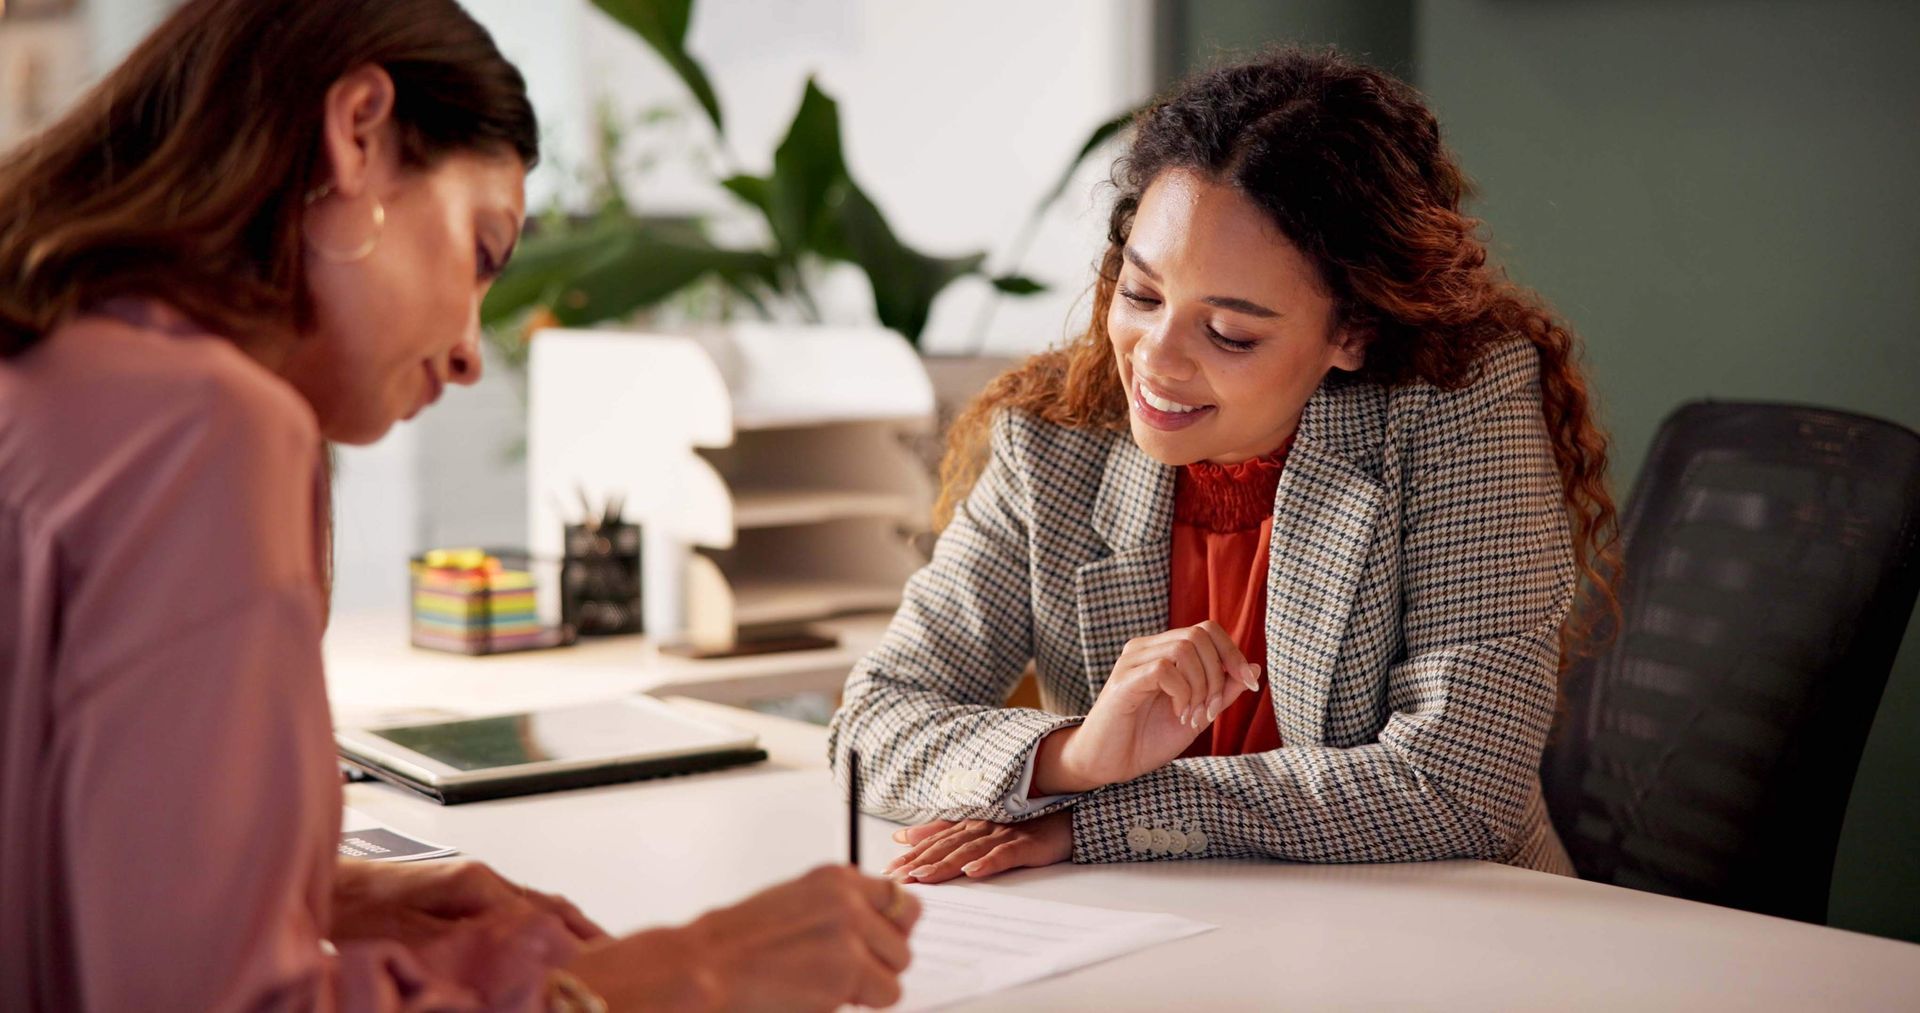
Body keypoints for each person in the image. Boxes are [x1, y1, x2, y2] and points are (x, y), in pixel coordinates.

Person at [0, 1, 917, 1009]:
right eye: (482, 253)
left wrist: (320, 895)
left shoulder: (59, 371)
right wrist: (684, 971)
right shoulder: (210, 426)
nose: (473, 350)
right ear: (357, 134)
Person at [827, 48, 1619, 884]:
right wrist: (1075, 755)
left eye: (1231, 333)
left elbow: (1458, 789)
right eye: (1140, 295)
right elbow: (868, 728)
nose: (1155, 361)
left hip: (1441, 929)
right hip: (1155, 930)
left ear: (1350, 331)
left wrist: (1095, 819)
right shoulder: (1055, 440)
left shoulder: (1457, 411)